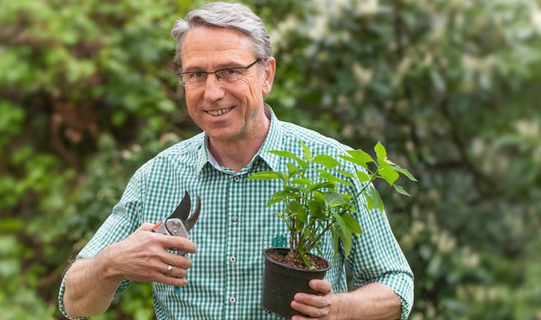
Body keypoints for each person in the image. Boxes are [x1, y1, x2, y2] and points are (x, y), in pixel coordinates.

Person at [59, 2, 414, 319]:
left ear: (267, 75)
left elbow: (395, 285)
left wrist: (338, 310)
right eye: (196, 74)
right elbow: (74, 303)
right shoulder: (156, 177)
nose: (212, 92)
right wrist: (111, 264)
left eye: (230, 71)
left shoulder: (334, 166)